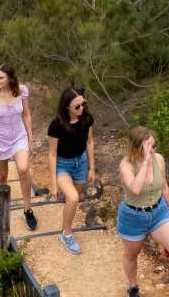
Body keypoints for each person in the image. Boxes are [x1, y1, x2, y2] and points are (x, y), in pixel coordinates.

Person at [117, 125, 169, 297]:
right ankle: (133, 286)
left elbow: (163, 184)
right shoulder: (126, 165)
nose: (154, 149)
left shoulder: (159, 159)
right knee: (131, 255)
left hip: (159, 212)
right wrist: (145, 163)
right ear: (138, 147)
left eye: (154, 145)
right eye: (150, 146)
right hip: (133, 216)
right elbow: (135, 188)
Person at [0, 64, 39, 230]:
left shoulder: (21, 91)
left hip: (19, 136)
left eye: (0, 77)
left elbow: (26, 114)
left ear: (10, 78)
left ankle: (28, 209)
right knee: (2, 176)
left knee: (24, 168)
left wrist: (30, 138)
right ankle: (4, 204)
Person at [47, 86, 95, 254]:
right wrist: (53, 184)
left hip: (80, 162)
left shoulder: (86, 118)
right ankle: (66, 234)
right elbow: (52, 154)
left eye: (83, 104)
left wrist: (92, 168)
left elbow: (89, 142)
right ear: (67, 107)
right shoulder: (56, 125)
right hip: (63, 164)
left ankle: (65, 224)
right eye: (77, 106)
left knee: (72, 199)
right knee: (73, 198)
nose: (81, 108)